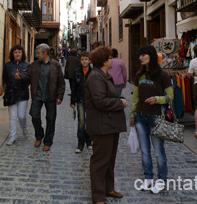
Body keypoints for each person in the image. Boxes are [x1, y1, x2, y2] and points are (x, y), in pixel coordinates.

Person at [85, 46, 127, 204]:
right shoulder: (96, 77)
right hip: (102, 125)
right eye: (110, 58)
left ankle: (108, 188)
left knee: (110, 159)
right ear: (104, 61)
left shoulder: (104, 75)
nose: (112, 60)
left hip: (110, 124)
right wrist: (120, 102)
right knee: (100, 161)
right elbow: (100, 101)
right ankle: (98, 196)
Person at [129, 45, 173, 194]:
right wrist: (132, 115)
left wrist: (158, 99)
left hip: (156, 118)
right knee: (145, 151)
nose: (140, 57)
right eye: (140, 55)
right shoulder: (138, 75)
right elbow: (135, 97)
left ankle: (161, 180)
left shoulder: (162, 75)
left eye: (143, 55)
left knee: (159, 151)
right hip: (140, 116)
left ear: (151, 56)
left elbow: (170, 96)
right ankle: (148, 178)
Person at [16, 43, 65, 151]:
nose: (37, 55)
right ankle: (39, 135)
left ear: (45, 53)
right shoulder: (34, 65)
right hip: (37, 95)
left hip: (51, 96)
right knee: (34, 116)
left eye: (38, 53)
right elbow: (28, 76)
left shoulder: (56, 65)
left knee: (51, 119)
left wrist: (60, 96)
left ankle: (48, 141)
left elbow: (61, 83)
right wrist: (20, 76)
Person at [2, 45, 30, 146]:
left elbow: (29, 79)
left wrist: (21, 78)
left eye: (19, 52)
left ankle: (24, 128)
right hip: (11, 94)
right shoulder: (8, 65)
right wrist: (11, 84)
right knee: (13, 117)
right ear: (12, 54)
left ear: (22, 54)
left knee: (21, 116)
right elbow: (4, 78)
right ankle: (13, 136)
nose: (17, 54)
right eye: (15, 52)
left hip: (23, 93)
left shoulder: (27, 65)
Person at [70, 51, 92, 153]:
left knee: (89, 121)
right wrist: (72, 101)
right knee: (81, 121)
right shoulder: (76, 72)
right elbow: (73, 87)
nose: (84, 61)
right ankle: (80, 143)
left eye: (86, 59)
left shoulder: (93, 72)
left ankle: (89, 141)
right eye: (82, 59)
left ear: (90, 60)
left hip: (91, 101)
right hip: (80, 100)